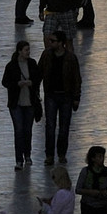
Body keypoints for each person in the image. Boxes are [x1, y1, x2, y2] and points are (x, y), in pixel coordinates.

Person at [39, 28, 81, 166]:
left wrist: (76, 97)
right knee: (50, 126)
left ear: (61, 43)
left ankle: (61, 154)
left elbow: (76, 78)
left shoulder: (70, 58)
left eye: (53, 41)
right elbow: (39, 73)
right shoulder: (46, 55)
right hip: (51, 95)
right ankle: (50, 155)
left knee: (64, 127)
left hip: (66, 96)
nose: (50, 43)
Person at [2, 40, 38, 166]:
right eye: (26, 50)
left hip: (30, 103)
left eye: (29, 50)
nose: (28, 52)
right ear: (19, 51)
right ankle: (19, 159)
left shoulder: (32, 63)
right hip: (16, 103)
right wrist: (17, 84)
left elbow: (38, 78)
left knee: (27, 131)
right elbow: (5, 82)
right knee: (19, 131)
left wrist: (32, 82)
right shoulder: (11, 66)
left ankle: (27, 155)